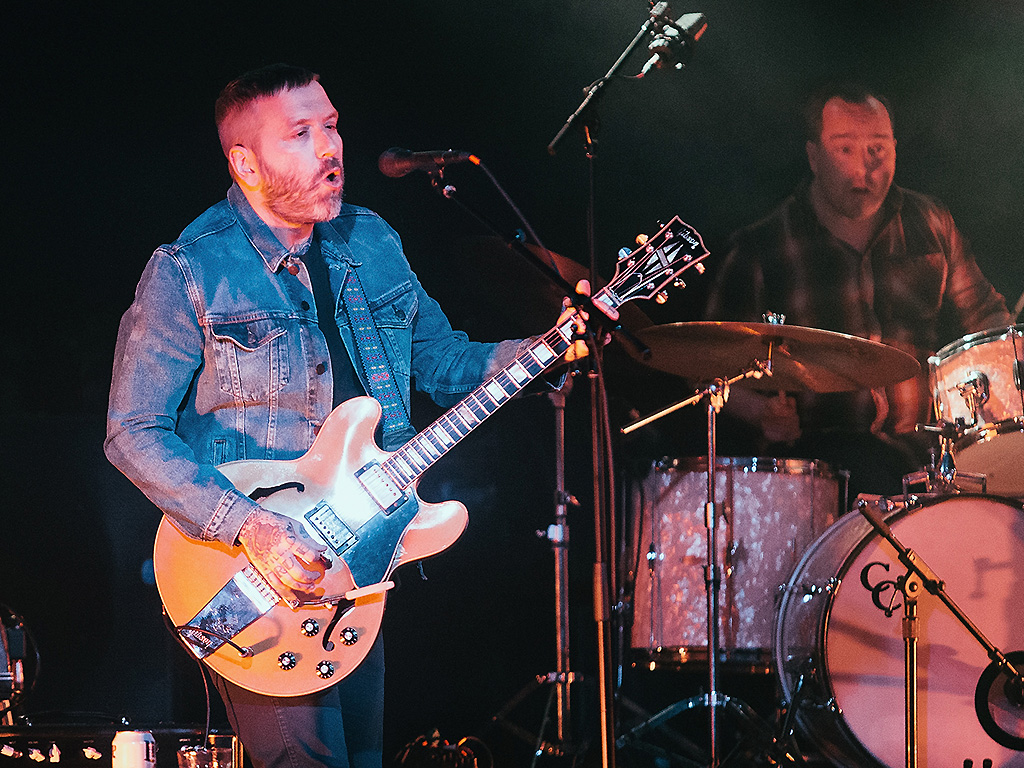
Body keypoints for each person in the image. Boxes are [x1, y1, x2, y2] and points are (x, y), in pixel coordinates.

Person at [105, 64, 612, 768]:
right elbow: (131, 432)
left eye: (332, 125)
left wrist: (554, 344)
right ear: (246, 162)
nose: (329, 148)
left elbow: (442, 362)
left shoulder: (370, 240)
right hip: (246, 576)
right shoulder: (191, 268)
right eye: (301, 134)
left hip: (358, 569)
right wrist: (250, 525)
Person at [703, 82, 1010, 499]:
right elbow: (706, 363)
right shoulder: (763, 247)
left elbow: (989, 320)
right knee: (865, 465)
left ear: (896, 150)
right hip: (821, 464)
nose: (864, 169)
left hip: (930, 456)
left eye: (877, 150)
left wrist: (1005, 372)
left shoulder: (932, 223)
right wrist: (762, 413)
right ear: (814, 157)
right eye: (844, 150)